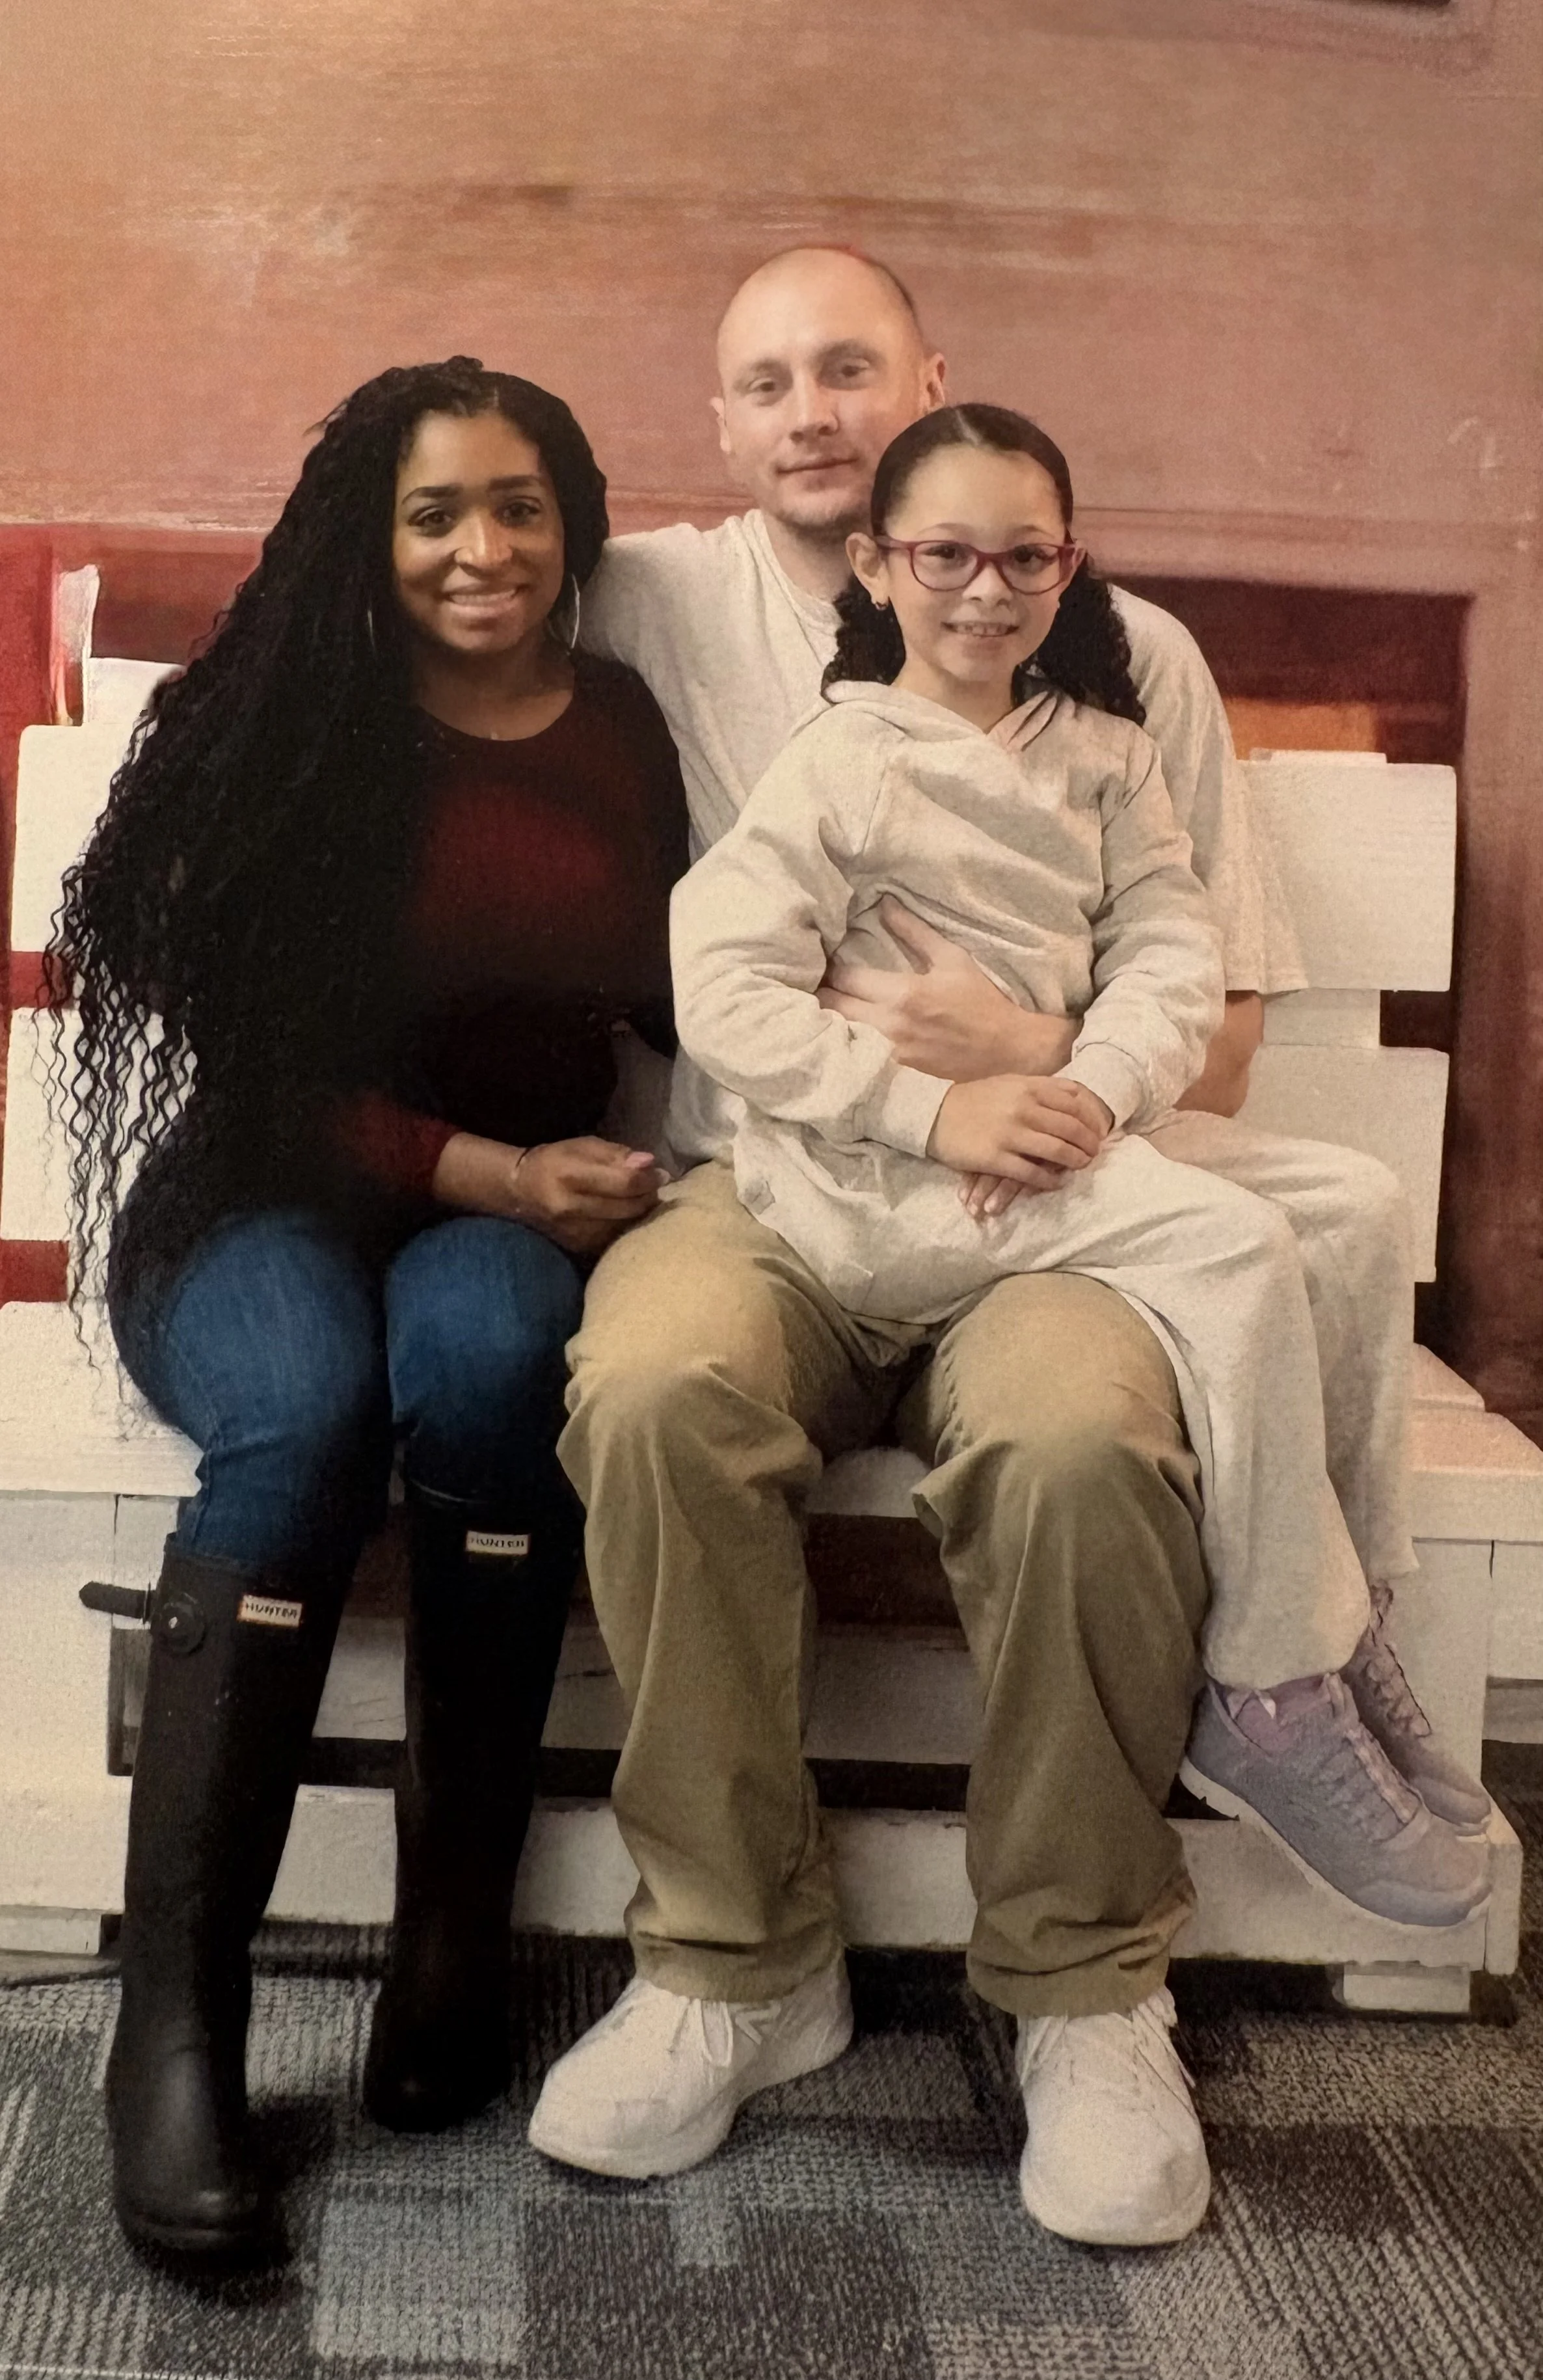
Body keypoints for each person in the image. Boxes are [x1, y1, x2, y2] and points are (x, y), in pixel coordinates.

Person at [528, 248, 1482, 2248]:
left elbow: (1198, 994)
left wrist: (1020, 1079)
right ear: (754, 454)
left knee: (1072, 1448)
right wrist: (908, 1096)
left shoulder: (1118, 676)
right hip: (766, 1192)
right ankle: (728, 1961)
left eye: (849, 365)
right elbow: (445, 632)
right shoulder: (660, 602)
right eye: (766, 381)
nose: (808, 407)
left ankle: (1081, 1983)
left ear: (936, 392)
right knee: (650, 1389)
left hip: (1045, 1197)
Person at [665, 398, 1486, 1933]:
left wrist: (1099, 1088)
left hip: (1066, 1134)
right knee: (1233, 1248)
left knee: (1356, 1211)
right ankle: (1260, 1692)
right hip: (893, 1189)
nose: (985, 589)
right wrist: (927, 1111)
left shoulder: (1105, 758)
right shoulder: (842, 762)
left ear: (1067, 564)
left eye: (1022, 556)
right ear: (878, 562)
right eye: (946, 554)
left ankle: (1340, 1611)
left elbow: (1172, 954)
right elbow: (718, 985)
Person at [48, 358, 687, 2264]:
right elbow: (247, 1076)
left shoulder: (623, 723)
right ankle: (178, 2029)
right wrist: (499, 1173)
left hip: (505, 1224)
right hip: (261, 1204)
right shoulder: (288, 721)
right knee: (314, 1403)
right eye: (434, 514)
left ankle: (448, 1940)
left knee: (495, 1363)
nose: (481, 548)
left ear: (569, 521)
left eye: (517, 505)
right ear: (371, 534)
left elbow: (683, 983)